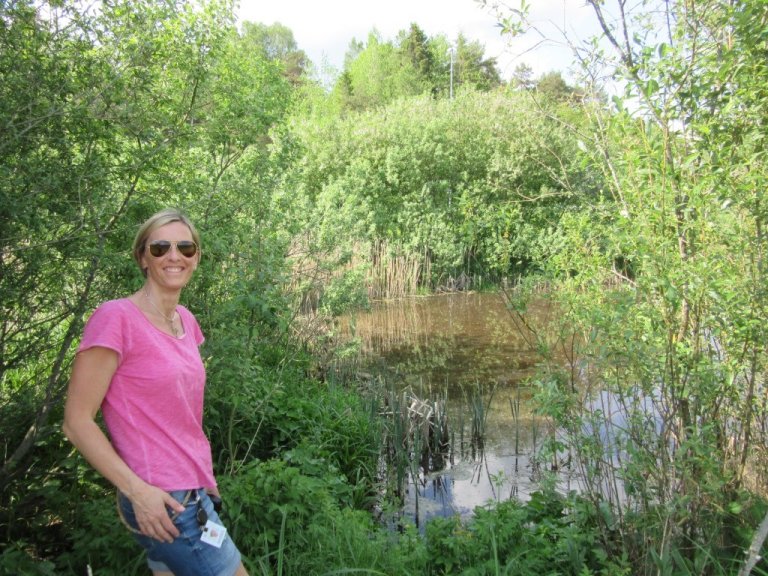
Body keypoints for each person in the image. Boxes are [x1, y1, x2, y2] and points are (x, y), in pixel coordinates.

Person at [63, 209, 249, 576]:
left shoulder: (187, 320)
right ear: (142, 257)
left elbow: (181, 416)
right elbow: (76, 422)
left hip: (189, 489)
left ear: (197, 257)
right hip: (163, 498)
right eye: (161, 247)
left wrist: (204, 481)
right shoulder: (116, 318)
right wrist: (137, 491)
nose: (174, 256)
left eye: (186, 247)